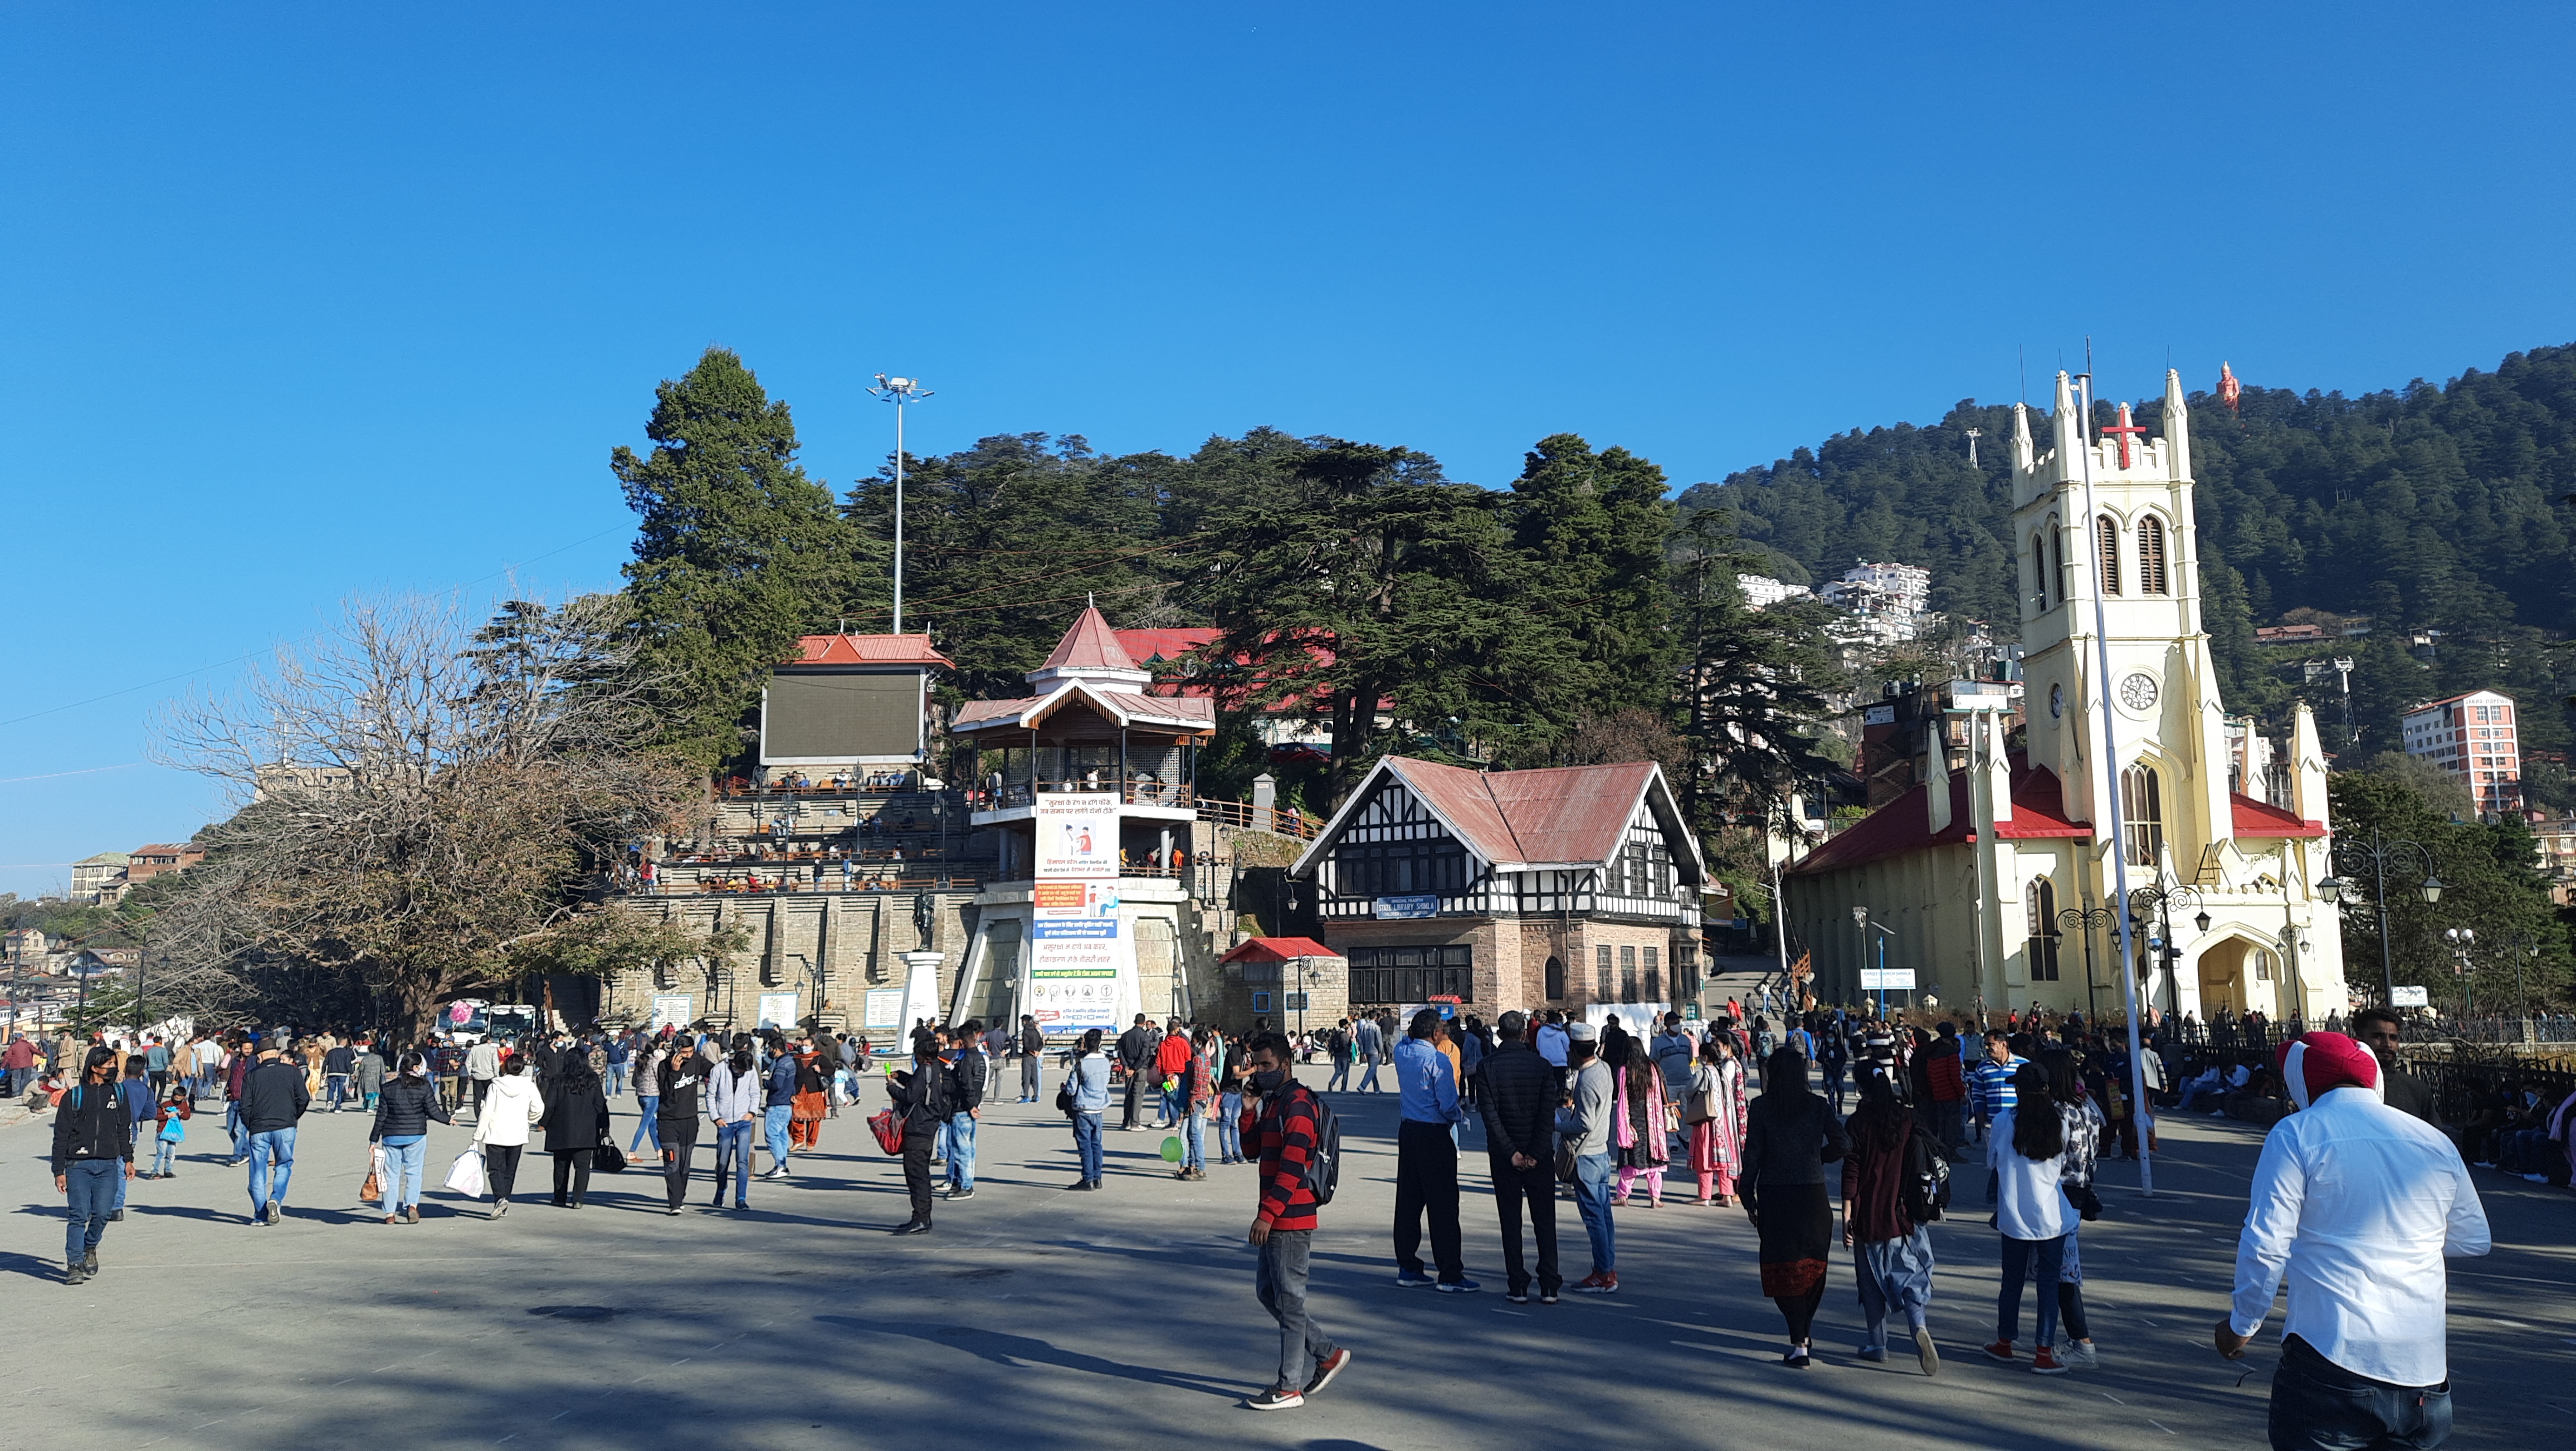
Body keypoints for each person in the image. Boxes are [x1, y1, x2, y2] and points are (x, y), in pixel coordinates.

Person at [2217, 1031, 2490, 1451]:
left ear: (2301, 1084)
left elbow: (2266, 1242)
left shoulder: (2297, 1133)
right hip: (2424, 1374)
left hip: (2333, 1361)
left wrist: (2241, 1326)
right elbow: (2475, 1239)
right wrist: (2405, 1239)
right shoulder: (2435, 1141)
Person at [1240, 1030, 1351, 1411]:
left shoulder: (1299, 1104)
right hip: (1277, 1214)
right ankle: (1327, 1353)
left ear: (1285, 1064)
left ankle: (1289, 1386)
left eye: (1267, 1065)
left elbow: (1293, 1167)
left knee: (1288, 1301)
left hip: (1289, 1217)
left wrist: (1266, 1215)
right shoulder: (1275, 1101)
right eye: (1257, 1065)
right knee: (1271, 1294)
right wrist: (1249, 1109)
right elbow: (1252, 1150)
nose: (1261, 1071)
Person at [1741, 1046, 1852, 1367]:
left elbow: (1753, 1155)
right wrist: (1819, 1158)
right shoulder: (1818, 1106)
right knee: (1813, 1266)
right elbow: (1844, 1144)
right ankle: (1803, 1335)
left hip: (1776, 1196)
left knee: (1781, 1268)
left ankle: (1798, 1338)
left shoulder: (1761, 1107)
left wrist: (1746, 1194)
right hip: (1812, 1195)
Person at [1843, 1069, 1939, 1374]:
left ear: (1860, 1088)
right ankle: (1919, 1326)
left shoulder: (1857, 1123)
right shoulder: (1907, 1119)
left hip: (1868, 1214)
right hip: (1904, 1214)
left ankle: (1878, 1344)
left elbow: (1852, 1173)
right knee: (1908, 1274)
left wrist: (1846, 1218)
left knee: (1870, 1280)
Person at [1985, 1062, 2074, 1372]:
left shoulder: (2003, 1122)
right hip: (2052, 1216)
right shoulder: (2060, 1122)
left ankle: (2005, 1342)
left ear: (2018, 1091)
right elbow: (2063, 1166)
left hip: (2013, 1216)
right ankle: (2044, 1352)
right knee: (2048, 1285)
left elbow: (1991, 1161)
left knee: (2012, 1281)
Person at [1478, 1010, 1560, 1304]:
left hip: (1504, 1156)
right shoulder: (1542, 1066)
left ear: (1500, 1035)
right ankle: (1550, 1283)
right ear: (1525, 1032)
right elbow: (1547, 1115)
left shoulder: (1488, 1067)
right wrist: (1536, 1152)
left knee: (1510, 1220)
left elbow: (1490, 1116)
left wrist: (1511, 1152)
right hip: (1538, 1153)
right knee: (1545, 1219)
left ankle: (1518, 1283)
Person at [1389, 1008, 1472, 1291]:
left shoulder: (1404, 1053)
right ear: (1436, 1034)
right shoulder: (1438, 1060)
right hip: (1434, 1132)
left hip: (1409, 1129)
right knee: (1443, 1205)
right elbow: (1448, 1103)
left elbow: (1403, 1041)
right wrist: (1459, 1117)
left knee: (1409, 1201)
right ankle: (1450, 1272)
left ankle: (1408, 1265)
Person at [51, 1046, 134, 1285]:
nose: (112, 1069)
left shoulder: (118, 1094)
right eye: (108, 1065)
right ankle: (74, 1264)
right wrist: (59, 1171)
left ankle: (90, 1246)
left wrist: (128, 1159)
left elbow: (124, 1129)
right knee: (78, 1215)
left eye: (114, 1064)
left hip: (108, 1164)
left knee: (103, 1212)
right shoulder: (73, 1096)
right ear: (94, 1067)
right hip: (78, 1165)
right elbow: (61, 1135)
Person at [1558, 1021, 1620, 1293]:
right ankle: (1608, 1267)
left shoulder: (1586, 1081)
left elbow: (1583, 1123)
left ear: (1573, 1049)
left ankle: (1603, 1273)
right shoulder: (1603, 1068)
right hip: (1602, 1151)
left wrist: (1557, 1122)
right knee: (1604, 1215)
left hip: (1587, 1154)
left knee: (1594, 1217)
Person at [370, 1050, 451, 1226]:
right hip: (416, 1135)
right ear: (416, 1068)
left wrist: (373, 1140)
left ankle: (390, 1213)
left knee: (391, 1175)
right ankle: (412, 1205)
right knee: (414, 1173)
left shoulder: (388, 1087)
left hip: (391, 1136)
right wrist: (448, 1120)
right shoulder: (423, 1086)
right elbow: (433, 1110)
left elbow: (381, 1116)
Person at [886, 1030, 954, 1234]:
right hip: (929, 1125)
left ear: (924, 1057)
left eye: (916, 1056)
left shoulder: (925, 1069)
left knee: (916, 1174)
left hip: (919, 1128)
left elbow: (910, 1095)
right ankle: (922, 1217)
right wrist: (903, 1076)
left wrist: (891, 1087)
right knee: (920, 1172)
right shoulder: (938, 1068)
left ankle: (921, 1218)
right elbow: (922, 1088)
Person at [240, 1038, 313, 1226]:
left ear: (260, 1056)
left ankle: (261, 1214)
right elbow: (303, 1098)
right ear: (277, 1054)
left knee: (257, 1171)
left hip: (259, 1128)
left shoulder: (251, 1076)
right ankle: (276, 1198)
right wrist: (293, 1116)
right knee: (284, 1165)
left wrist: (251, 1125)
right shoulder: (291, 1072)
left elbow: (244, 1106)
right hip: (285, 1126)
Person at [471, 1054, 543, 1218]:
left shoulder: (495, 1085)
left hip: (495, 1132)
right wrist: (529, 1120)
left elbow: (487, 1111)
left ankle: (500, 1198)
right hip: (517, 1133)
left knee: (495, 1170)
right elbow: (539, 1107)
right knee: (510, 1170)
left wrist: (478, 1134)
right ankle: (505, 1200)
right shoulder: (529, 1085)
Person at [540, 1048, 611, 1210]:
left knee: (561, 1165)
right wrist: (604, 1125)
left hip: (561, 1129)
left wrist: (544, 1122)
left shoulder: (558, 1080)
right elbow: (600, 1104)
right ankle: (578, 1198)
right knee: (583, 1166)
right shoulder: (592, 1079)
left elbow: (549, 1105)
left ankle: (559, 1197)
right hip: (587, 1130)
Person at [1687, 1034, 1749, 1206]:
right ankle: (1727, 1195)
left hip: (1707, 1120)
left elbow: (1689, 1090)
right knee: (1723, 1160)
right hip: (1723, 1122)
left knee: (1704, 1157)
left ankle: (1704, 1196)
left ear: (1704, 1057)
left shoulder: (1706, 1072)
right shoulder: (1721, 1071)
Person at [2350, 1007, 2439, 1126]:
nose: (2387, 1044)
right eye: (2378, 1037)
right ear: (2359, 1040)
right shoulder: (2348, 1089)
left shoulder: (2416, 1090)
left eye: (2393, 1038)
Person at [1613, 1038, 1674, 1208]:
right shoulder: (1653, 1068)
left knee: (1631, 1161)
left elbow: (1622, 1097)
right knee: (1654, 1161)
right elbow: (1664, 1092)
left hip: (1634, 1121)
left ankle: (1623, 1195)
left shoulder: (1625, 1071)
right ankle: (1655, 1198)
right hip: (1655, 1122)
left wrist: (1626, 1123)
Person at [706, 1034, 762, 1211]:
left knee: (742, 1161)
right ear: (734, 1063)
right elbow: (710, 1095)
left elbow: (756, 1092)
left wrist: (752, 1112)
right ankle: (721, 1191)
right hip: (724, 1122)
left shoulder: (751, 1070)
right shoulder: (719, 1070)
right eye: (740, 1071)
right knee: (723, 1161)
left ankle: (741, 1198)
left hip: (744, 1121)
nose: (742, 1074)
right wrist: (715, 1117)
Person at [656, 1037, 708, 1216]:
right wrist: (675, 1072)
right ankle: (675, 1202)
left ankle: (680, 1195)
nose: (688, 1056)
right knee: (672, 1162)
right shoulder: (664, 1065)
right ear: (677, 1050)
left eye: (691, 1052)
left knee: (685, 1164)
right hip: (668, 1121)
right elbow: (665, 1092)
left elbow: (716, 1071)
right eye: (684, 1053)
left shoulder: (697, 1060)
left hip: (690, 1120)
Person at [1064, 1028, 1110, 1189]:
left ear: (1085, 1042)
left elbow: (1071, 1089)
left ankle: (1088, 1178)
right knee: (1097, 1144)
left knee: (1085, 1145)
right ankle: (1098, 1177)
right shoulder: (1106, 1062)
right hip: (1099, 1108)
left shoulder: (1082, 1065)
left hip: (1084, 1108)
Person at [947, 1021, 987, 1200]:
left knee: (962, 1148)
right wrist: (976, 1105)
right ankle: (965, 1181)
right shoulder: (980, 1058)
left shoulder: (965, 1060)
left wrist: (970, 1105)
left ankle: (966, 1185)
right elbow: (980, 1085)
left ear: (962, 1042)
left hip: (963, 1108)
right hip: (973, 1106)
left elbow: (966, 1085)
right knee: (969, 1148)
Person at [1177, 1026, 1214, 1181]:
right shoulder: (1206, 1058)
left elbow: (1198, 1082)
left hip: (1197, 1099)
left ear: (1199, 1042)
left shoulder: (1198, 1059)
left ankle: (1199, 1167)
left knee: (1194, 1134)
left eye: (1193, 1041)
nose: (1192, 1044)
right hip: (1202, 1098)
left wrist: (1192, 1098)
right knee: (1194, 1134)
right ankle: (1194, 1165)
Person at [760, 1031, 798, 1178]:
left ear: (775, 1049)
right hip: (786, 1103)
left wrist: (763, 1082)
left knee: (772, 1135)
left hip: (777, 1103)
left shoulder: (782, 1063)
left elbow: (777, 1084)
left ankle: (780, 1164)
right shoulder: (790, 1061)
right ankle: (782, 1165)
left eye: (770, 1049)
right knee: (782, 1136)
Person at [147, 1078, 192, 1179]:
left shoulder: (184, 1104)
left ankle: (168, 1171)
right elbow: (156, 1116)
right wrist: (167, 1116)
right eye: (175, 1098)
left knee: (171, 1153)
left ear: (184, 1097)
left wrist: (181, 1113)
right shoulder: (165, 1105)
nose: (177, 1100)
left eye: (179, 1098)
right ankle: (154, 1172)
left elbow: (188, 1116)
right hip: (162, 1132)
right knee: (161, 1153)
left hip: (173, 1132)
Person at [1117, 1014, 1155, 1131]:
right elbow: (1144, 1055)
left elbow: (1120, 1052)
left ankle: (1126, 1122)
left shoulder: (1125, 1035)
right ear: (1144, 1023)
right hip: (1140, 1068)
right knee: (1138, 1095)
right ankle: (1135, 1123)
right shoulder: (1144, 1037)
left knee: (1128, 1094)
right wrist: (1135, 1068)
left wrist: (1127, 1066)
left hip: (1128, 1068)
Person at [1156, 1017, 1194, 1129]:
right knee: (1179, 1096)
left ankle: (1173, 1121)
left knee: (1170, 1096)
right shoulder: (1183, 1042)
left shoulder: (1163, 1045)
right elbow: (1188, 1058)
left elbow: (1159, 1061)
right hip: (1181, 1073)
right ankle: (1178, 1119)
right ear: (1177, 1030)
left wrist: (1162, 1072)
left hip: (1168, 1074)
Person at [1354, 1014, 1387, 1093]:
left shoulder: (1364, 1027)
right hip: (1375, 1051)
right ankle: (1362, 1086)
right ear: (1375, 1018)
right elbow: (1379, 1041)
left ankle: (1377, 1089)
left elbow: (1360, 1039)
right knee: (1372, 1069)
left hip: (1367, 1050)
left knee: (1373, 1070)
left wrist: (1362, 1051)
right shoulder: (1376, 1027)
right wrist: (1380, 1051)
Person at [1017, 1015, 1045, 1103]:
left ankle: (1026, 1096)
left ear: (1025, 1022)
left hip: (1027, 1056)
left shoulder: (1026, 1031)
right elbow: (1041, 1043)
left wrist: (1032, 1051)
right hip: (1035, 1057)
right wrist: (1037, 1051)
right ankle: (1036, 1096)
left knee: (1026, 1077)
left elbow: (1026, 1044)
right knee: (1035, 1077)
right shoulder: (1036, 1031)